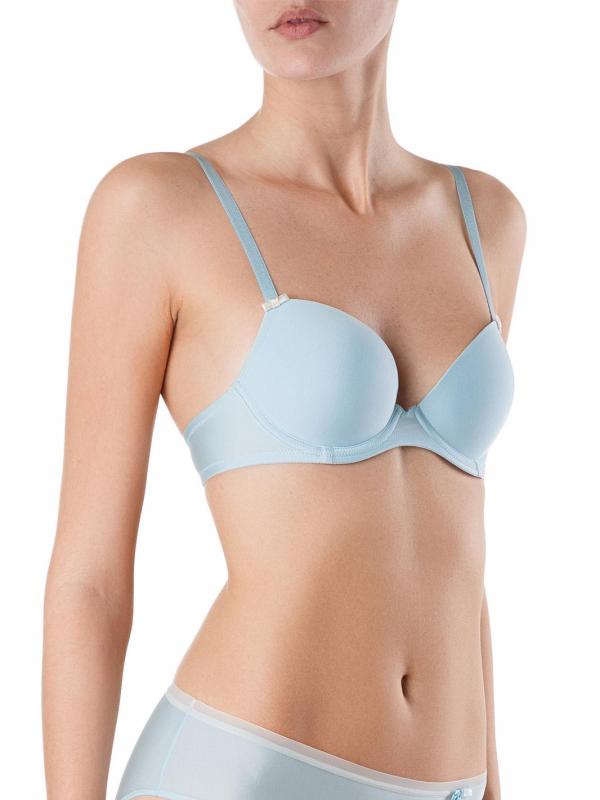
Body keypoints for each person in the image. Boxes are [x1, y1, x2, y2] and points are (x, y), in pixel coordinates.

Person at [42, 2, 526, 799]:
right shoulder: (158, 207)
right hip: (243, 772)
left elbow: (453, 549)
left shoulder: (488, 220)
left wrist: (492, 785)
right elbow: (89, 578)